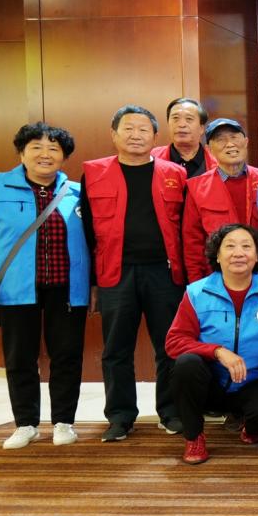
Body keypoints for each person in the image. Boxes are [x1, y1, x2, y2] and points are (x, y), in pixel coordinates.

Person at [82, 105, 188, 442]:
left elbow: (186, 228)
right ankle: (120, 416)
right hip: (115, 273)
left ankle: (171, 412)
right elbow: (86, 232)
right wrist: (92, 283)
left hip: (165, 273)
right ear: (114, 134)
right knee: (116, 349)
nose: (136, 135)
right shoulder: (93, 173)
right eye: (128, 128)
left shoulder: (175, 173)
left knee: (169, 346)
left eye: (144, 129)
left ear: (155, 137)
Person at [0, 123, 88, 449]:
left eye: (53, 149)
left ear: (64, 157)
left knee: (67, 356)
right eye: (36, 147)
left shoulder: (77, 193)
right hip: (15, 288)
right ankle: (26, 423)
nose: (45, 154)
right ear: (21, 153)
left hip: (67, 288)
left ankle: (64, 422)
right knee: (19, 357)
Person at [165, 224, 258, 464]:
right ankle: (194, 437)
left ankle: (250, 427)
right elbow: (175, 341)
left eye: (246, 246)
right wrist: (217, 351)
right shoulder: (197, 292)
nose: (238, 253)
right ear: (218, 256)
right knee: (186, 365)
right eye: (230, 246)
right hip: (210, 384)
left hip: (254, 383)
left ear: (257, 256)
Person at [181, 119, 258, 282]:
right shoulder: (197, 187)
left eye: (234, 137)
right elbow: (192, 242)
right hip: (217, 278)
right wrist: (197, 283)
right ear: (209, 149)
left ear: (246, 142)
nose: (229, 144)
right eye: (221, 139)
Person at [151, 97, 215, 179]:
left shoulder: (217, 161)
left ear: (201, 128)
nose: (181, 125)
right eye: (175, 118)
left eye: (189, 119)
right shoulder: (152, 158)